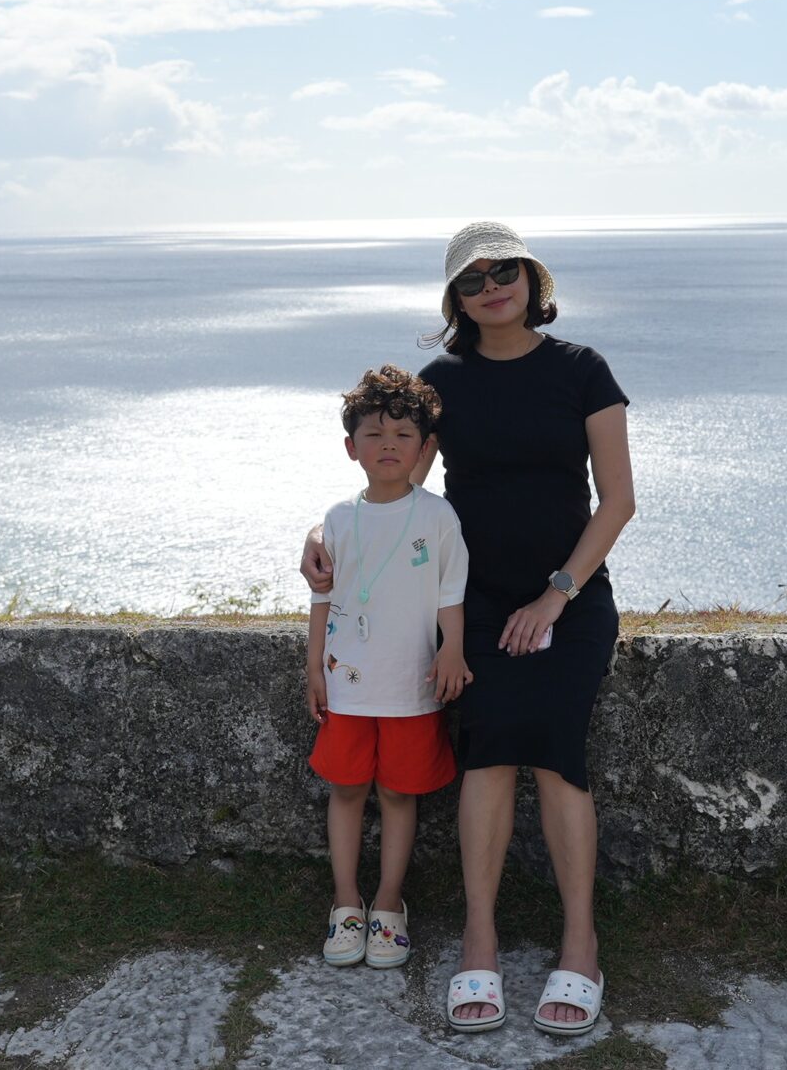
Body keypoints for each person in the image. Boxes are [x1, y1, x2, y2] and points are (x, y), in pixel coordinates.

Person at [303, 221, 635, 1039]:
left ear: (530, 277)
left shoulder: (583, 370)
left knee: (558, 756)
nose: (493, 284)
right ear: (457, 297)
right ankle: (478, 939)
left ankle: (580, 943)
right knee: (484, 755)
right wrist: (323, 537)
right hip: (472, 605)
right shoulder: (441, 381)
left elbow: (618, 498)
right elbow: (392, 480)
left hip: (569, 600)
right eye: (473, 277)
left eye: (505, 269)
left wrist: (557, 594)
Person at [306, 364, 470, 973]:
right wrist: (312, 669)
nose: (389, 446)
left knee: (400, 794)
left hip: (410, 683)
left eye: (404, 435)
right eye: (374, 434)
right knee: (347, 790)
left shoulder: (437, 516)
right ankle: (345, 901)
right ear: (351, 447)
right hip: (346, 684)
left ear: (425, 446)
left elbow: (451, 591)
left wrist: (451, 650)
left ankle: (389, 903)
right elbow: (322, 596)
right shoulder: (338, 519)